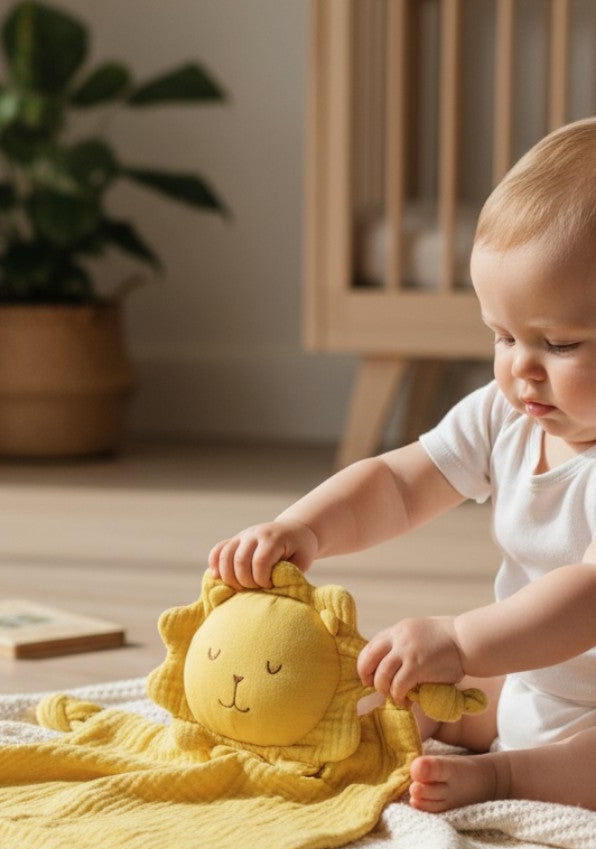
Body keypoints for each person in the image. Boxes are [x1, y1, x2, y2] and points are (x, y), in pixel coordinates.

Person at [208, 117, 596, 813]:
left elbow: (588, 599)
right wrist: (305, 529)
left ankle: (510, 779)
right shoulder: (508, 413)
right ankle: (411, 727)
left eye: (561, 345)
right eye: (502, 336)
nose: (521, 369)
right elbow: (399, 482)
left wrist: (459, 638)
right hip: (532, 678)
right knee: (418, 691)